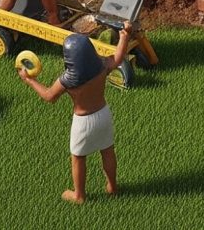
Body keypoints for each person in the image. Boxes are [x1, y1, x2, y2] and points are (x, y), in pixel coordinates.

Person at [20, 28, 134, 203]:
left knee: (78, 158)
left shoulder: (68, 79)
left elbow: (49, 96)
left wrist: (29, 80)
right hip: (103, 114)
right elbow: (118, 58)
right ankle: (112, 186)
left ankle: (79, 195)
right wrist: (124, 37)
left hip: (83, 122)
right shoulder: (102, 66)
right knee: (107, 151)